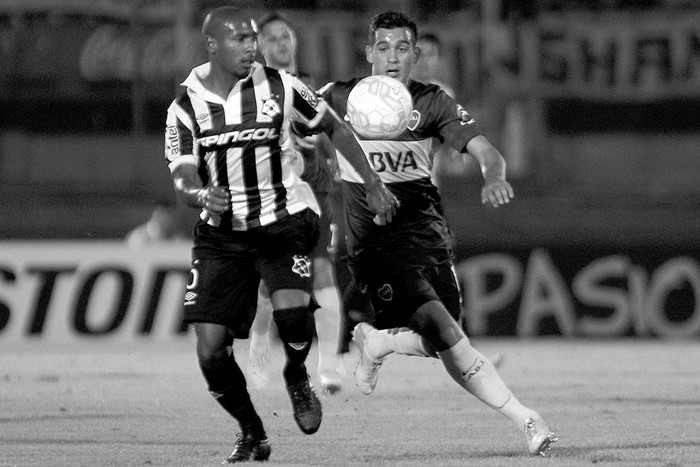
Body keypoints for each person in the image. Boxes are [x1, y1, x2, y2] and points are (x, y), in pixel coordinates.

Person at [318, 10, 556, 456]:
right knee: (447, 334)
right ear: (368, 52)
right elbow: (290, 130)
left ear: (416, 55)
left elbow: (487, 151)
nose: (392, 58)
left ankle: (377, 341)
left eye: (402, 48)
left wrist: (493, 175)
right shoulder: (338, 97)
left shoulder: (433, 102)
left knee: (440, 340)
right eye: (383, 48)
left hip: (428, 238)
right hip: (375, 247)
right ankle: (527, 419)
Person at [164, 7, 397, 463]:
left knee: (292, 318)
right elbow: (181, 175)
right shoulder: (185, 106)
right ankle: (252, 431)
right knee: (210, 352)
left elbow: (333, 126)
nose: (252, 47)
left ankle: (296, 376)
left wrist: (372, 183)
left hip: (282, 220)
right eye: (241, 40)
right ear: (212, 44)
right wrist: (197, 193)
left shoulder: (282, 86)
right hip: (221, 235)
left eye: (254, 39)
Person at [245, 12, 345, 395]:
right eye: (271, 38)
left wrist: (328, 155)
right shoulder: (252, 93)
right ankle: (257, 347)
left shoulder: (311, 91)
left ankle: (329, 368)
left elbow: (328, 135)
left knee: (323, 276)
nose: (280, 43)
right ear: (259, 46)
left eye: (285, 36)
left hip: (316, 200)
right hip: (273, 199)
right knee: (268, 287)